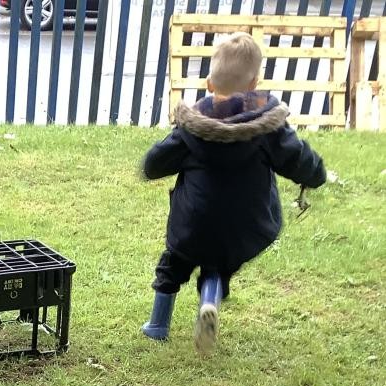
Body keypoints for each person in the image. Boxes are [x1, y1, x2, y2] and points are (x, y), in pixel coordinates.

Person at [140, 31, 327, 353]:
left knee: (172, 265)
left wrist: (151, 166)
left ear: (209, 84)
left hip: (193, 226)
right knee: (218, 264)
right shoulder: (269, 128)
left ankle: (157, 325)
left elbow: (155, 163)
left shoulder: (191, 127)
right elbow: (298, 159)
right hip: (243, 228)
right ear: (254, 84)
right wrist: (316, 174)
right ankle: (208, 300)